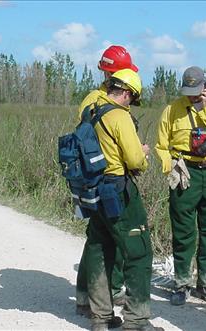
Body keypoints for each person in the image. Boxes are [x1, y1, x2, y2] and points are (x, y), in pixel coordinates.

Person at [83, 69, 163, 331]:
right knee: (139, 253)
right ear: (127, 93)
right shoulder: (120, 116)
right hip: (118, 189)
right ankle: (137, 321)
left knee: (99, 248)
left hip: (94, 190)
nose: (132, 103)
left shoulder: (91, 111)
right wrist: (144, 153)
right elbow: (134, 160)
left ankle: (101, 318)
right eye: (133, 99)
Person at [155, 66, 206, 306]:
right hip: (184, 171)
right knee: (183, 231)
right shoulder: (172, 110)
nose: (191, 95)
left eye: (196, 90)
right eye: (188, 91)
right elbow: (161, 145)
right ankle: (181, 283)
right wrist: (171, 167)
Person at [76, 45, 138, 317]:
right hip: (109, 176)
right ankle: (102, 295)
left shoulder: (94, 98)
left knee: (97, 238)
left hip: (95, 176)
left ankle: (89, 297)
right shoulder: (106, 103)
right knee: (107, 239)